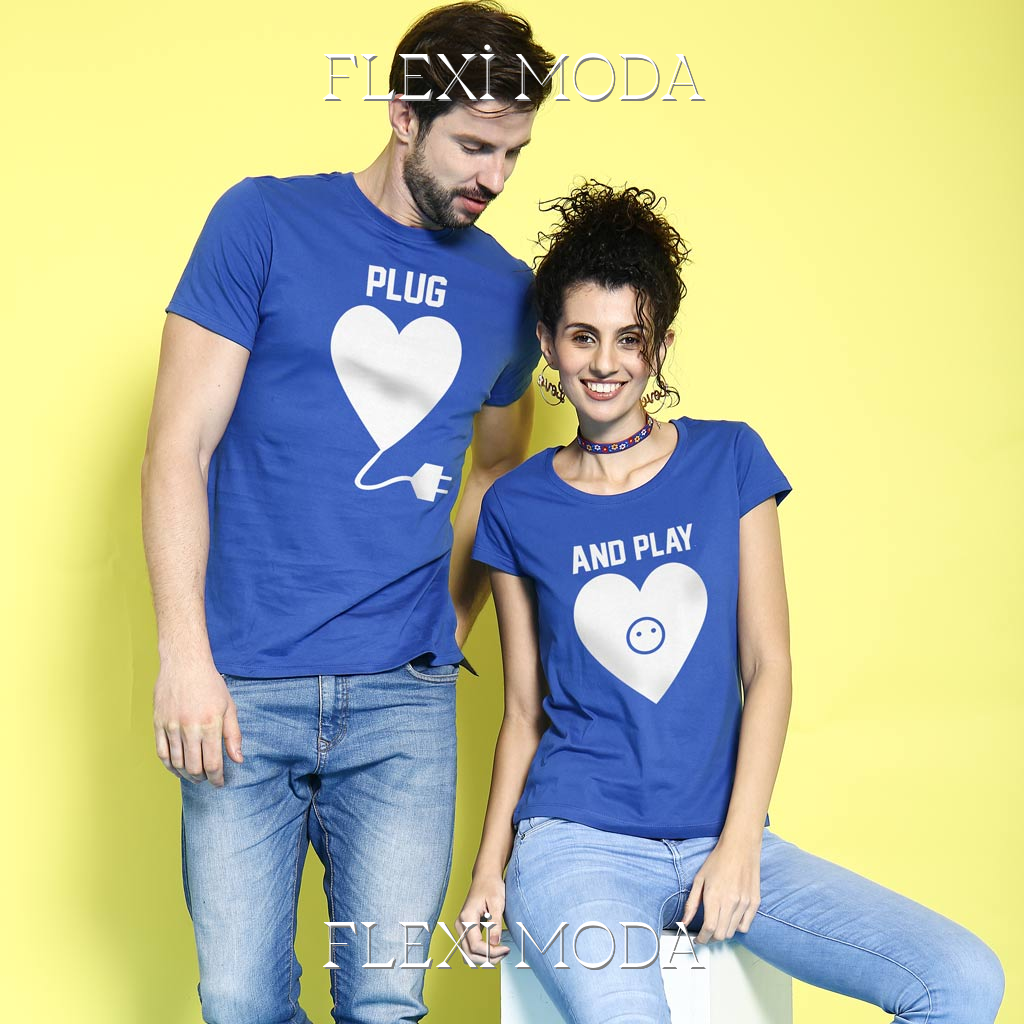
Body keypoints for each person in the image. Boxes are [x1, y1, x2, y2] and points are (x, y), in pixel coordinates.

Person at [457, 182, 1005, 1023]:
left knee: (961, 980)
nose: (605, 363)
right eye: (582, 337)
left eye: (630, 339)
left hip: (724, 831)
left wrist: (742, 841)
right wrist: (488, 872)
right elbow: (524, 712)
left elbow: (768, 664)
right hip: (576, 846)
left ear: (661, 347)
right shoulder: (517, 505)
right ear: (547, 344)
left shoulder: (730, 461)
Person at [140, 5, 555, 1022]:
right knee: (240, 999)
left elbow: (499, 466)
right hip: (241, 688)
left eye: (513, 152)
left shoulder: (507, 293)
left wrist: (449, 621)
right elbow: (177, 448)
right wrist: (185, 656)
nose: (495, 177)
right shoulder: (262, 222)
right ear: (404, 115)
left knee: (385, 1001)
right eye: (475, 145)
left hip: (401, 705)